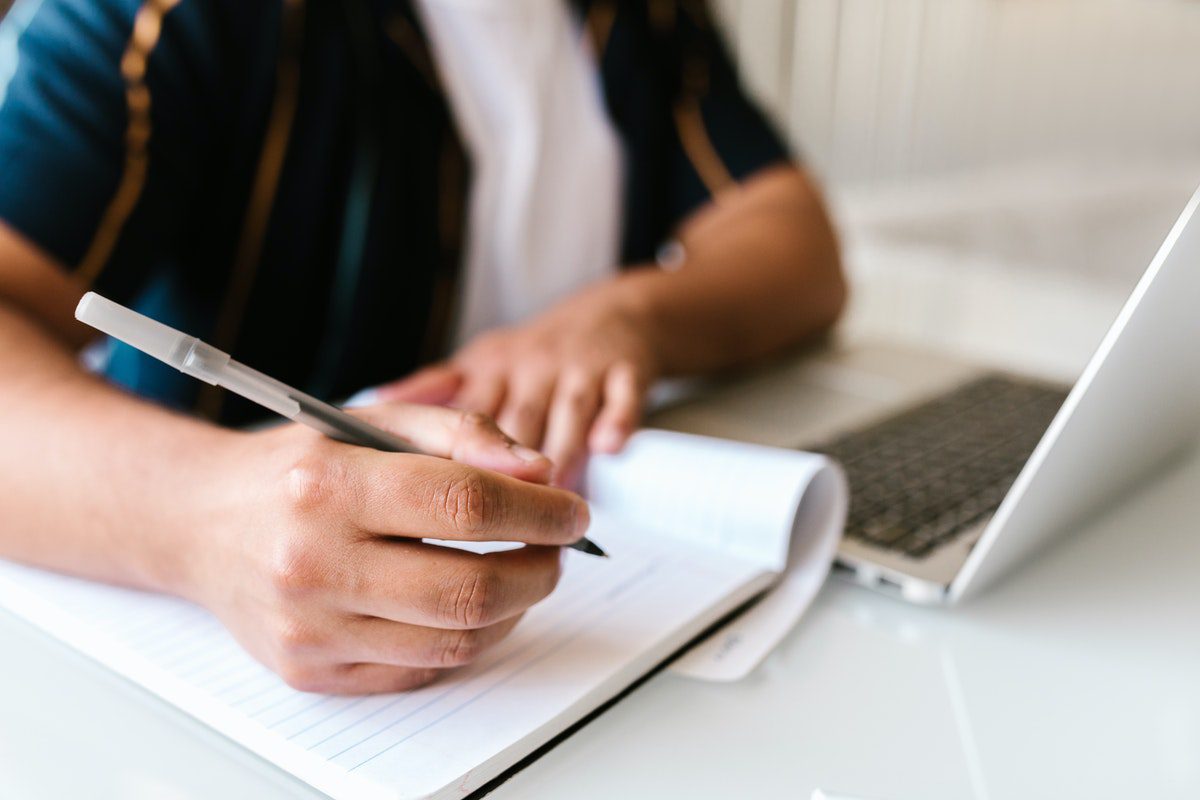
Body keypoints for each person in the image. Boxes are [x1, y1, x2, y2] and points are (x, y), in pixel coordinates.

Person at [0, 0, 844, 693]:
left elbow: (794, 240)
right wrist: (199, 514)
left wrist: (628, 316)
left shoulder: (646, 18)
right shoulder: (169, 17)